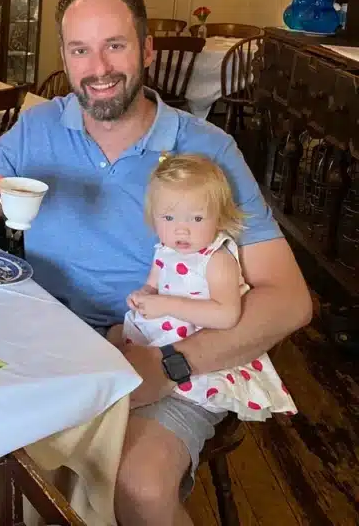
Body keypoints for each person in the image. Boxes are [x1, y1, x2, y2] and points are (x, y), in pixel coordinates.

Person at [0, 0, 311, 526]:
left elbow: (289, 299)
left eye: (114, 45)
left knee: (137, 487)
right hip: (51, 342)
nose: (98, 69)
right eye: (80, 50)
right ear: (66, 59)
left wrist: (169, 365)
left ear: (145, 48)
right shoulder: (37, 125)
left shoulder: (207, 147)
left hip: (170, 350)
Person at [124, 153, 297, 421]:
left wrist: (165, 305)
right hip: (159, 334)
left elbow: (226, 316)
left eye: (196, 219)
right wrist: (143, 295)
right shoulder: (164, 250)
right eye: (169, 219)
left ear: (218, 217)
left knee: (136, 395)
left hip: (200, 349)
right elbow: (152, 284)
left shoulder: (217, 260)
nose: (182, 231)